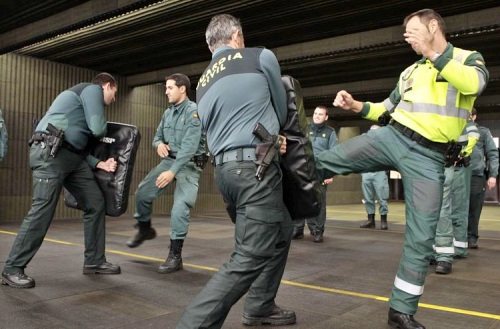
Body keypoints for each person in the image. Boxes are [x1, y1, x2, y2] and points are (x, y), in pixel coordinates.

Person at [315, 9, 488, 329]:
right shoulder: (410, 71)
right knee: (326, 160)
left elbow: (474, 85)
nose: (408, 37)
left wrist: (433, 54)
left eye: (413, 30)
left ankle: (401, 310)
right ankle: (274, 193)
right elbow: (386, 110)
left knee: (422, 237)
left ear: (433, 26)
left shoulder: (467, 58)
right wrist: (357, 107)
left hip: (429, 156)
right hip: (392, 137)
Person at [177, 14, 295, 328]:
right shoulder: (259, 55)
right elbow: (281, 110)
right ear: (237, 36)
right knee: (249, 256)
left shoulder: (202, 82)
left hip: (225, 174)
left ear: (210, 46)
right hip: (255, 169)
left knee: (281, 230)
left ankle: (259, 306)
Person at [1, 73, 121, 289]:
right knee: (43, 208)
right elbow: (98, 129)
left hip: (72, 158)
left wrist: (99, 163)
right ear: (107, 85)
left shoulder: (80, 104)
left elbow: (78, 143)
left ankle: (94, 260)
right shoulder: (92, 90)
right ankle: (12, 268)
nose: (113, 99)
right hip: (51, 154)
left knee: (95, 203)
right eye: (114, 93)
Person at [126, 73, 206, 274]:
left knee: (180, 207)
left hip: (188, 165)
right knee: (143, 193)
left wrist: (172, 172)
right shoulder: (168, 112)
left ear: (182, 89)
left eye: (170, 87)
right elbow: (157, 136)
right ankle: (145, 230)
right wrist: (159, 144)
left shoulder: (194, 113)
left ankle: (175, 256)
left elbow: (189, 148)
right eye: (166, 87)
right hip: (169, 161)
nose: (166, 91)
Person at [433, 119, 479, 275]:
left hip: (455, 165)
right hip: (441, 163)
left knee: (455, 208)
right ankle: (443, 252)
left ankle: (456, 249)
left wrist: (462, 154)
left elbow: (473, 134)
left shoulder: (461, 113)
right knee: (440, 208)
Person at [292, 105, 337, 242]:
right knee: (299, 200)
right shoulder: (305, 129)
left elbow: (334, 154)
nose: (317, 116)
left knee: (319, 203)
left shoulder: (330, 132)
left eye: (320, 114)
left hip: (321, 172)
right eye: (315, 113)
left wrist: (330, 174)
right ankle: (298, 229)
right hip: (303, 170)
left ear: (326, 117)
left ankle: (318, 231)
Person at [468, 108, 499, 249]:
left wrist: (493, 175)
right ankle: (457, 237)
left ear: (474, 116)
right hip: (458, 175)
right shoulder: (455, 130)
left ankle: (472, 237)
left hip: (476, 176)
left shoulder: (483, 132)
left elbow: (492, 153)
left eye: (468, 115)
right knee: (456, 209)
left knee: (474, 209)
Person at [359, 125, 390, 230]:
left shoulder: (385, 144)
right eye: (371, 131)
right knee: (368, 198)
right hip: (367, 172)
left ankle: (383, 220)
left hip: (379, 172)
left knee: (382, 198)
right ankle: (370, 220)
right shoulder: (364, 144)